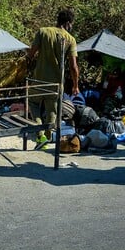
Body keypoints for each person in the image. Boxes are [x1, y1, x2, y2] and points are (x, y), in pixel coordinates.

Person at [27, 8, 79, 150]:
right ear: (68, 23)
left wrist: (27, 61)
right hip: (56, 83)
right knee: (52, 111)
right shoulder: (70, 39)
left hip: (38, 80)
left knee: (33, 103)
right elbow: (73, 66)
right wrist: (75, 85)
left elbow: (31, 54)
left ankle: (40, 134)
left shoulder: (43, 32)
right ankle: (48, 137)